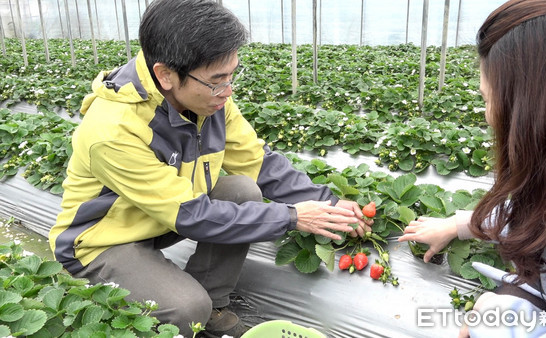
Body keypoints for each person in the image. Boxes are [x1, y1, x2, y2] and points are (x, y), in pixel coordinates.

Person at [47, 0, 372, 336]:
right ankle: (146, 307)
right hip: (105, 240)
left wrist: (328, 203)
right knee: (188, 309)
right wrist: (292, 216)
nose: (228, 91)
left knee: (243, 190)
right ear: (165, 75)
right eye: (218, 80)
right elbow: (191, 215)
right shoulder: (114, 129)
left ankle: (212, 299)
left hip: (159, 218)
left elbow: (258, 162)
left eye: (232, 75)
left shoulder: (209, 101)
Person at [399, 0, 546, 336]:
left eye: (487, 99)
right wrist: (460, 224)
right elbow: (540, 214)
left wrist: (505, 322)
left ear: (529, 106)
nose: (488, 114)